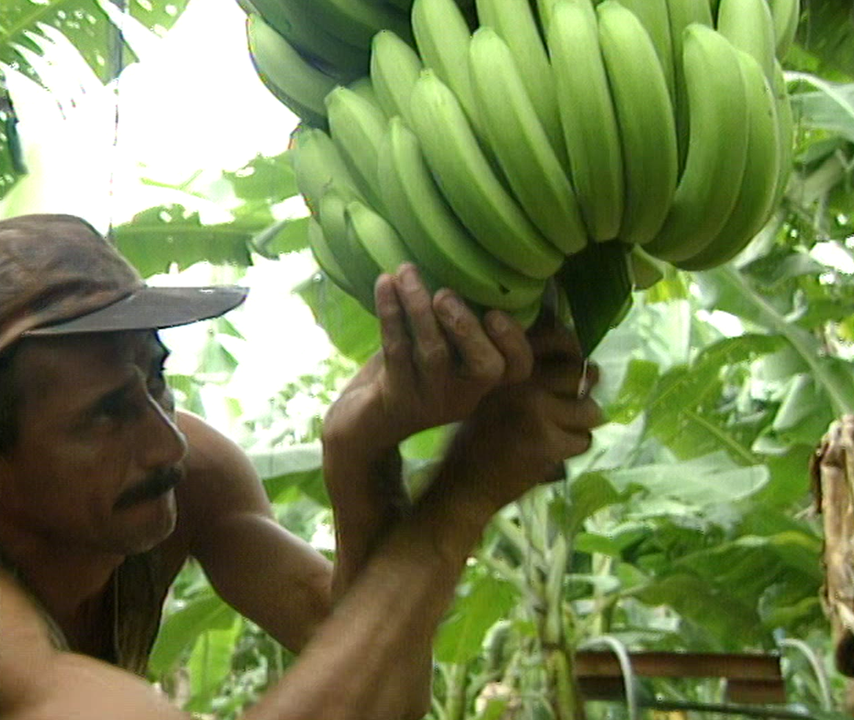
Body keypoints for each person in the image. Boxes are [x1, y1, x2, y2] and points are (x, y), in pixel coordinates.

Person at [0, 213, 602, 720]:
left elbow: (375, 677)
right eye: (106, 414)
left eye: (156, 380)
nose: (167, 446)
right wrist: (458, 500)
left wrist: (360, 455)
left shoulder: (197, 475)